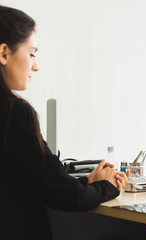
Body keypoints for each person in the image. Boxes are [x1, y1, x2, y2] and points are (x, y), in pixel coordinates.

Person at [0, 5, 128, 239]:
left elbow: (29, 180)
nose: (36, 66)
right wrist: (107, 186)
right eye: (32, 53)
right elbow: (64, 195)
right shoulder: (13, 113)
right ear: (4, 53)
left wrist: (85, 182)